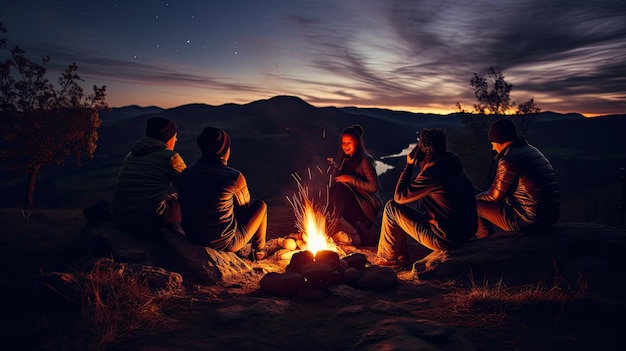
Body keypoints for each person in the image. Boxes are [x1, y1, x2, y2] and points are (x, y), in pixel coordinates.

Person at [375, 128, 477, 266]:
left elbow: (399, 197)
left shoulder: (432, 172)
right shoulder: (453, 162)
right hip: (467, 232)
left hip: (446, 239)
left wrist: (409, 165)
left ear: (422, 152)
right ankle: (402, 257)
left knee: (391, 208)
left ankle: (387, 260)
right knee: (416, 209)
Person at [178, 126, 267, 261]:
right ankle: (259, 252)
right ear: (225, 151)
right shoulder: (234, 177)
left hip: (192, 235)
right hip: (224, 242)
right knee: (261, 206)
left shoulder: (186, 172)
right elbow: (244, 208)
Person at [475, 118, 560, 238]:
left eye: (492, 144)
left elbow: (495, 195)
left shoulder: (509, 160)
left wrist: (477, 197)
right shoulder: (531, 150)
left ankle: (485, 244)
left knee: (474, 205)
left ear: (499, 141)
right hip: (549, 216)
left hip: (528, 220)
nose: (493, 148)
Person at [111, 116, 186, 234]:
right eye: (174, 136)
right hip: (147, 217)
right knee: (188, 205)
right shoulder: (170, 157)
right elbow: (191, 186)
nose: (176, 140)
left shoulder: (131, 155)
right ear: (168, 137)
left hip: (119, 214)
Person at [327, 124, 383, 246]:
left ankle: (335, 223)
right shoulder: (346, 159)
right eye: (343, 143)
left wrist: (350, 178)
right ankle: (365, 235)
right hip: (355, 200)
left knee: (340, 190)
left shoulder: (365, 160)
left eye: (349, 143)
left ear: (357, 142)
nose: (345, 146)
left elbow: (374, 187)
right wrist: (336, 170)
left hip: (368, 202)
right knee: (334, 192)